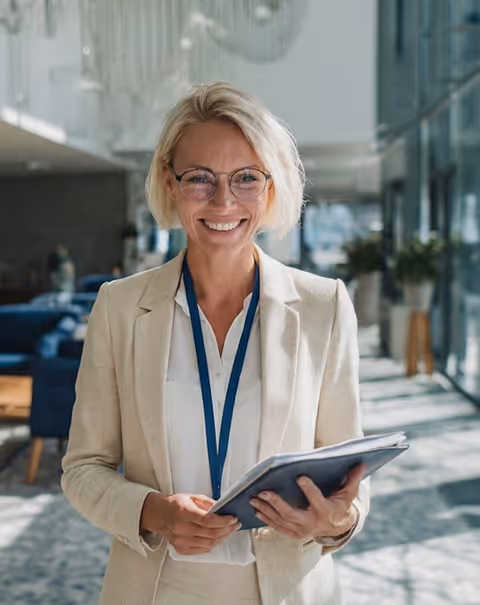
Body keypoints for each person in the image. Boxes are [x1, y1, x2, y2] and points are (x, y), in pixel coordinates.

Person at [61, 82, 369, 605]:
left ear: (270, 186)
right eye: (200, 178)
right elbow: (83, 469)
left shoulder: (325, 305)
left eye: (246, 178)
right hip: (155, 590)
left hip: (288, 591)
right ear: (169, 181)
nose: (223, 201)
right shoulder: (119, 307)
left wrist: (339, 519)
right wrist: (154, 511)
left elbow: (349, 472)